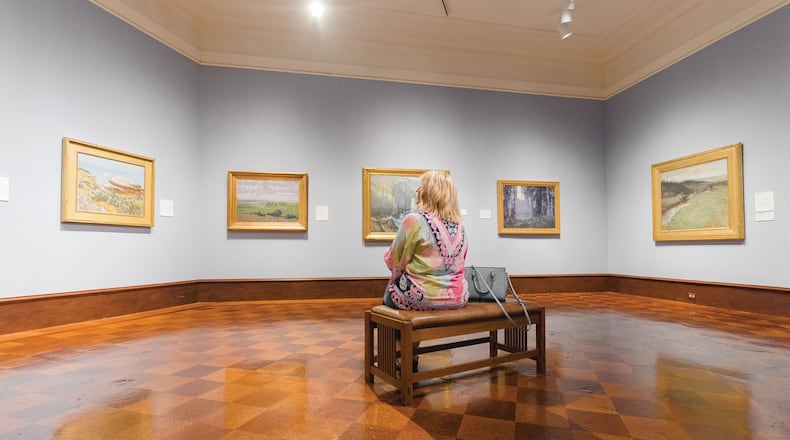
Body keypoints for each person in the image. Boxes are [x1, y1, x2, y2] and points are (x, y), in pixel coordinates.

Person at [383, 170, 469, 311]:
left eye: (421, 186)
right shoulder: (460, 225)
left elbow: (393, 261)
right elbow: (460, 263)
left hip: (422, 297)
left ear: (430, 192)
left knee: (390, 292)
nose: (417, 190)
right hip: (458, 298)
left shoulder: (413, 220)